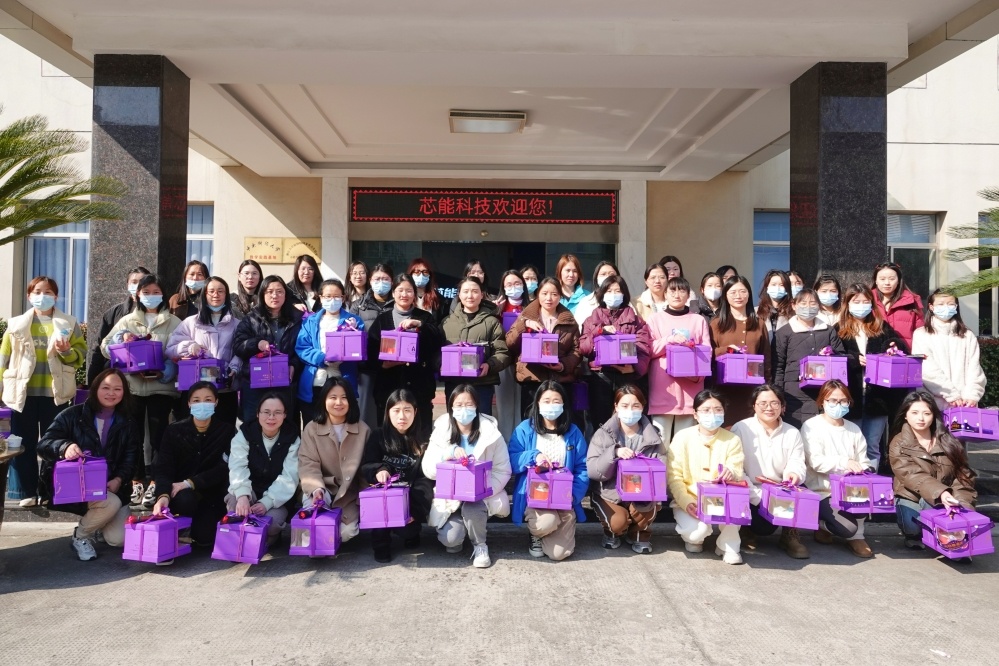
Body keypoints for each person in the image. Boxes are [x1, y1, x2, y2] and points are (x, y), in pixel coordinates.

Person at [1, 276, 87, 506]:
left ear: (56, 296)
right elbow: (3, 358)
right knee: (22, 443)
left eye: (48, 292)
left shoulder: (69, 323)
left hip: (55, 394)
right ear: (29, 296)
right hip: (22, 393)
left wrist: (66, 351)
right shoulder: (16, 324)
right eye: (37, 292)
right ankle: (25, 492)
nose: (42, 296)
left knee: (54, 444)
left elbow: (79, 357)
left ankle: (50, 491)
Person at [37, 369, 139, 561]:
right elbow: (43, 444)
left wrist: (119, 479)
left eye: (117, 389)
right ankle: (81, 536)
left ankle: (99, 523)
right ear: (95, 388)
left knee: (119, 539)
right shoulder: (72, 415)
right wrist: (64, 447)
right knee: (111, 503)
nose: (111, 393)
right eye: (106, 388)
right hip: (78, 486)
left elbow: (132, 458)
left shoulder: (128, 422)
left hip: (110, 487)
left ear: (124, 392)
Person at [101, 274, 181, 508]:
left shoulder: (174, 322)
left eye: (155, 292)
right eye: (146, 292)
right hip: (132, 388)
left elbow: (179, 352)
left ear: (163, 294)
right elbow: (105, 347)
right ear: (137, 295)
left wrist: (165, 370)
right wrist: (121, 338)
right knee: (133, 436)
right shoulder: (127, 320)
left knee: (159, 438)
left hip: (161, 388)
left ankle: (156, 481)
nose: (151, 296)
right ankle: (135, 481)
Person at [422, 385, 511, 568]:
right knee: (451, 540)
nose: (464, 409)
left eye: (469, 404)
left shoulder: (491, 434)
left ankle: (480, 545)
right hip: (451, 498)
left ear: (477, 406)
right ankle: (462, 531)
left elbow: (503, 470)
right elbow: (428, 469)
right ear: (451, 407)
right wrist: (446, 454)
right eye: (459, 405)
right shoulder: (441, 431)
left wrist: (484, 490)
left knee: (473, 508)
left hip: (481, 497)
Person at [509, 380, 589, 561]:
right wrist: (533, 456)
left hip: (563, 499)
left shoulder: (573, 432)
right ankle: (537, 534)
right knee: (547, 522)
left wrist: (574, 495)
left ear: (563, 404)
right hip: (535, 497)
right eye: (546, 401)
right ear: (537, 403)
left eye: (556, 401)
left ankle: (557, 528)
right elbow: (512, 460)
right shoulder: (525, 429)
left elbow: (582, 467)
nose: (551, 405)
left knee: (559, 554)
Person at [151, 381, 236, 551]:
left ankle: (196, 527)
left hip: (211, 493)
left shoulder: (226, 431)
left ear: (216, 402)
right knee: (185, 500)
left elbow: (224, 468)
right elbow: (164, 468)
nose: (202, 404)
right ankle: (181, 525)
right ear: (189, 403)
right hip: (181, 493)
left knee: (205, 538)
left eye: (208, 400)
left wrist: (191, 482)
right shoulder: (174, 431)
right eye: (196, 400)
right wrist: (163, 495)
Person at [889, 390, 977, 550]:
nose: (921, 418)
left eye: (926, 413)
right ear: (905, 415)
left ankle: (948, 537)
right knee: (914, 527)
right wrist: (941, 493)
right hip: (911, 495)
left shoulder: (949, 440)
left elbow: (964, 475)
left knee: (955, 528)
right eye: (914, 413)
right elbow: (911, 475)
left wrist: (962, 506)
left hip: (946, 497)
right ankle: (917, 535)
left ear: (934, 415)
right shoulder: (898, 442)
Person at [666, 389, 746, 565]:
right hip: (692, 498)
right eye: (706, 410)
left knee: (734, 508)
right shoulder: (682, 437)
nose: (712, 414)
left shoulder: (732, 440)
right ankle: (695, 537)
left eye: (718, 409)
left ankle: (728, 545)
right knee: (696, 535)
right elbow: (674, 476)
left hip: (722, 499)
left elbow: (736, 467)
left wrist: (731, 472)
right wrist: (686, 501)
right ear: (695, 414)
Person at [730, 384, 809, 559]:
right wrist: (759, 498)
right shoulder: (741, 428)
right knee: (763, 527)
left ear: (782, 406)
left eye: (774, 403)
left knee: (802, 490)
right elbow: (737, 469)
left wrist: (794, 474)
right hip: (750, 489)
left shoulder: (792, 432)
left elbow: (797, 461)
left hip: (780, 489)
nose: (769, 407)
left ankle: (790, 534)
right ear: (754, 406)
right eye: (763, 403)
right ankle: (747, 529)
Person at [835, 283, 908, 468]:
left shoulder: (881, 327)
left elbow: (898, 346)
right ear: (847, 304)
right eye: (856, 301)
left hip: (877, 397)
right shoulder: (838, 329)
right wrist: (852, 359)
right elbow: (833, 356)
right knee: (850, 447)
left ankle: (872, 480)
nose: (861, 305)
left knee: (873, 446)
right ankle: (852, 481)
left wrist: (893, 347)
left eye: (865, 301)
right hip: (850, 395)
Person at [586, 385, 664, 553]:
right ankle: (612, 532)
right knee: (617, 522)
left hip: (641, 492)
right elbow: (593, 470)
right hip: (609, 493)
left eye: (636, 406)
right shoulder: (602, 434)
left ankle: (638, 534)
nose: (630, 410)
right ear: (616, 407)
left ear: (643, 407)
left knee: (646, 509)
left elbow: (662, 468)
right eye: (625, 405)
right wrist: (613, 453)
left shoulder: (653, 436)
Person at [801, 379, 874, 558]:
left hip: (851, 489)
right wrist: (844, 463)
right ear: (822, 401)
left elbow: (863, 460)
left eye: (843, 401)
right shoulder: (811, 426)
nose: (838, 405)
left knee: (870, 497)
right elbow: (816, 462)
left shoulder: (853, 429)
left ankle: (858, 537)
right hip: (823, 491)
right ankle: (822, 525)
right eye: (833, 400)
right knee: (847, 528)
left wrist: (864, 469)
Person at [361, 388, 433, 562]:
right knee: (380, 515)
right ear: (388, 412)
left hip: (410, 499)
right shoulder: (378, 436)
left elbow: (425, 479)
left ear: (415, 412)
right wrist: (379, 470)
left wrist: (416, 511)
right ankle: (381, 545)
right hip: (385, 497)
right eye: (396, 410)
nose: (402, 416)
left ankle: (411, 534)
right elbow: (367, 464)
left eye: (407, 410)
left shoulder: (423, 440)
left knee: (409, 529)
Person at [298, 377, 371, 549]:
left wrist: (365, 501)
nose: (339, 402)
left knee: (346, 533)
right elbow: (308, 463)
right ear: (324, 400)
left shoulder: (363, 429)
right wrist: (316, 489)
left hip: (348, 494)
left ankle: (327, 541)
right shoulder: (311, 428)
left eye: (344, 397)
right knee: (312, 529)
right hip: (321, 490)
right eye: (333, 397)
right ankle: (319, 544)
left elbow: (365, 470)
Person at [366, 274, 444, 434]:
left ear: (414, 293)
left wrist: (420, 325)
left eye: (409, 290)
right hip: (388, 387)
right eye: (400, 290)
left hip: (419, 388)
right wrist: (383, 365)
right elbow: (371, 352)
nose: (404, 294)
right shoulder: (382, 320)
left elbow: (437, 341)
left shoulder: (425, 317)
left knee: (420, 435)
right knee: (390, 435)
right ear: (393, 293)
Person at [226, 392, 301, 545]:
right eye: (266, 412)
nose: (271, 417)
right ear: (257, 414)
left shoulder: (292, 438)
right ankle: (243, 540)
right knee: (235, 505)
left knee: (271, 524)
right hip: (250, 491)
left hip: (277, 499)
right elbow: (237, 466)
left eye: (277, 412)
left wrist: (266, 502)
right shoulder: (245, 434)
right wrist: (243, 495)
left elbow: (290, 476)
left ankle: (267, 537)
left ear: (285, 415)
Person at [166, 276, 240, 425]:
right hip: (195, 390)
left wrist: (234, 367)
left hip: (224, 391)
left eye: (220, 291)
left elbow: (241, 351)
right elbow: (170, 349)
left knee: (223, 432)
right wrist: (189, 347)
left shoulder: (237, 324)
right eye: (211, 291)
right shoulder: (190, 323)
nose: (216, 295)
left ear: (226, 295)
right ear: (204, 295)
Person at [579, 276, 651, 427]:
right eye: (609, 291)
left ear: (624, 294)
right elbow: (583, 348)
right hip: (600, 376)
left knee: (627, 420)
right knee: (601, 422)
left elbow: (644, 348)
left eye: (617, 291)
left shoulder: (636, 321)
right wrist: (598, 331)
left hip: (626, 376)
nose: (613, 295)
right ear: (602, 294)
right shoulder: (591, 320)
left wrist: (634, 368)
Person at [505, 277, 581, 418]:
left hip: (560, 381)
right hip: (532, 379)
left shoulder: (569, 320)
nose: (549, 298)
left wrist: (563, 366)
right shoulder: (525, 316)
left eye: (554, 294)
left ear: (560, 296)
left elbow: (576, 349)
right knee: (531, 421)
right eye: (544, 293)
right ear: (538, 294)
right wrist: (524, 325)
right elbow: (510, 343)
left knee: (560, 422)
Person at [646, 277, 711, 442]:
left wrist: (697, 374)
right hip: (663, 389)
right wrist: (669, 340)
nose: (677, 295)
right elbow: (649, 349)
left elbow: (707, 352)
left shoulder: (698, 320)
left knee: (686, 443)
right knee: (661, 443)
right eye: (672, 290)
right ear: (665, 294)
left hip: (690, 389)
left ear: (688, 295)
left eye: (682, 290)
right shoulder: (654, 319)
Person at [232, 275, 304, 423]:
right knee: (253, 426)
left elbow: (303, 347)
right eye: (269, 291)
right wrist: (256, 344)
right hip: (255, 383)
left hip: (285, 383)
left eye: (279, 291)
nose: (274, 295)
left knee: (285, 426)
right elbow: (238, 345)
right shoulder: (251, 318)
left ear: (286, 294)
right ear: (262, 294)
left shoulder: (298, 319)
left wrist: (294, 365)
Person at [773, 288, 846, 428]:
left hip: (824, 393)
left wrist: (831, 354)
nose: (808, 307)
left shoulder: (828, 331)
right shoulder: (784, 333)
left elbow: (841, 358)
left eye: (813, 303)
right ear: (794, 305)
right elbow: (778, 367)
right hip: (794, 395)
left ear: (819, 306)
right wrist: (779, 397)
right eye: (803, 303)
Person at [295, 278, 365, 424]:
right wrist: (322, 358)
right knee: (314, 426)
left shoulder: (354, 321)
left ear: (343, 298)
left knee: (343, 426)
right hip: (316, 382)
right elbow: (302, 348)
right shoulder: (310, 321)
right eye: (328, 296)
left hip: (343, 381)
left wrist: (352, 333)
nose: (332, 300)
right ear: (320, 298)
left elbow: (360, 348)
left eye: (336, 296)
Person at [439, 276, 511, 416]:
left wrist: (489, 365)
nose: (470, 296)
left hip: (481, 384)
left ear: (482, 294)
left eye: (475, 291)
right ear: (459, 295)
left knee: (482, 423)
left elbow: (503, 351)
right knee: (455, 422)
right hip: (454, 383)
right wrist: (440, 363)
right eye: (465, 291)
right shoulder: (447, 322)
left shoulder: (492, 322)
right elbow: (435, 350)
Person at [911, 288, 986, 412]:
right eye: (940, 304)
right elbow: (927, 369)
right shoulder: (921, 334)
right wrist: (951, 394)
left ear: (956, 306)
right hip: (932, 404)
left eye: (950, 304)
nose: (946, 307)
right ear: (931, 307)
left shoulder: (967, 335)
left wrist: (972, 395)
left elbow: (975, 368)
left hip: (964, 406)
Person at [710, 276, 771, 425]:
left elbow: (766, 359)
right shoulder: (717, 324)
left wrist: (767, 389)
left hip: (752, 391)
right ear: (725, 295)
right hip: (724, 390)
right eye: (733, 292)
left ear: (749, 294)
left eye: (743, 291)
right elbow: (708, 354)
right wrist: (726, 350)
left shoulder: (759, 324)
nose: (738, 296)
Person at [87, 266, 150, 384]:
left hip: (147, 376)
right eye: (134, 282)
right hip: (117, 375)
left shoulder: (155, 312)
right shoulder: (113, 313)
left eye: (142, 282)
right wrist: (92, 382)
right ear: (127, 285)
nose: (138, 285)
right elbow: (99, 348)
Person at [350, 263, 394, 426]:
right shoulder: (358, 305)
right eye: (377, 279)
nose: (381, 282)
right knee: (366, 416)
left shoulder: (398, 303)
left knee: (390, 414)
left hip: (392, 367)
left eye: (385, 279)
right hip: (367, 368)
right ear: (370, 280)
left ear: (392, 281)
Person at [494, 269, 528, 438]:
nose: (513, 287)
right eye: (509, 284)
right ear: (503, 287)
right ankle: (506, 442)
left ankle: (521, 442)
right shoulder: (497, 308)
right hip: (504, 360)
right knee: (505, 405)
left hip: (526, 361)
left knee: (523, 404)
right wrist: (492, 311)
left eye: (517, 283)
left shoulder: (533, 306)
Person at [872, 261, 924, 349]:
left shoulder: (912, 301)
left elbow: (920, 332)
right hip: (873, 354)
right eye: (882, 279)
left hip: (904, 354)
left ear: (899, 280)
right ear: (876, 281)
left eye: (892, 279)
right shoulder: (867, 301)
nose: (887, 283)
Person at [572, 261, 619, 329]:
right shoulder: (586, 302)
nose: (607, 277)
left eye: (611, 274)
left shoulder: (624, 301)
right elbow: (580, 328)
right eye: (603, 274)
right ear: (596, 278)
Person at [757, 269, 793, 347]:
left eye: (782, 285)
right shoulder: (756, 311)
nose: (777, 288)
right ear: (767, 287)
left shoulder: (793, 312)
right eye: (773, 284)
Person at [407, 257, 446, 324]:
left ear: (429, 275)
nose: (421, 275)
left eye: (425, 272)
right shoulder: (405, 296)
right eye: (417, 272)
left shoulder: (439, 299)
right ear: (411, 275)